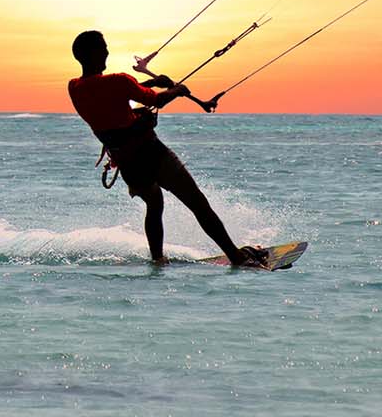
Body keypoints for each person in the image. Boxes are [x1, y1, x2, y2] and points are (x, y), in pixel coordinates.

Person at [67, 30, 267, 267]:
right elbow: (156, 100)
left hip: (127, 163)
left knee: (154, 203)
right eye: (103, 47)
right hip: (151, 154)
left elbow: (109, 94)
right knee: (197, 202)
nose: (107, 51)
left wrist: (151, 82)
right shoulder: (118, 81)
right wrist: (177, 91)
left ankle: (158, 260)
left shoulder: (75, 87)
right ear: (91, 53)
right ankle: (236, 257)